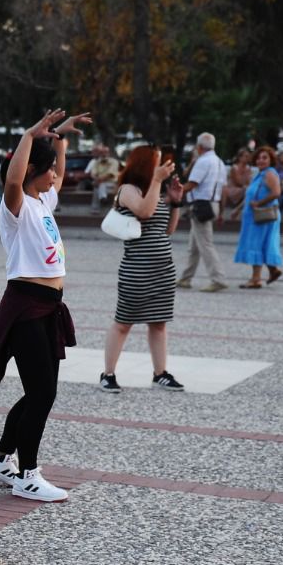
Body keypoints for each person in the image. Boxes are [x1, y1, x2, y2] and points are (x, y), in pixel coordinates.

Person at [0, 109, 83, 503]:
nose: (56, 174)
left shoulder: (43, 202)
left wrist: (60, 138)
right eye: (50, 170)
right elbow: (12, 178)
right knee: (41, 393)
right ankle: (27, 475)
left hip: (49, 305)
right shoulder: (17, 207)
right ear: (33, 172)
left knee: (41, 390)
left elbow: (57, 167)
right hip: (25, 306)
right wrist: (27, 134)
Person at [100, 145, 186, 393]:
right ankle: (108, 373)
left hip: (163, 267)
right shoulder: (128, 190)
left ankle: (160, 373)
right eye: (157, 162)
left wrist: (176, 203)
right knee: (123, 322)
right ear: (145, 163)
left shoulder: (154, 190)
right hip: (137, 268)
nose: (161, 166)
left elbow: (166, 230)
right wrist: (158, 181)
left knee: (159, 322)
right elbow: (145, 212)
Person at [176, 132, 227, 292]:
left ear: (199, 147)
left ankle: (218, 278)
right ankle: (186, 277)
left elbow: (191, 184)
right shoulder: (219, 162)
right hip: (213, 204)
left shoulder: (203, 162)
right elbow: (224, 190)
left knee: (205, 244)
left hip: (201, 205)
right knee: (195, 244)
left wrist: (174, 193)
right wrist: (221, 212)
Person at [234, 145, 283, 288]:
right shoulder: (260, 175)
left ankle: (255, 280)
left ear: (271, 160)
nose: (261, 160)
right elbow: (250, 196)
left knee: (256, 244)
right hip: (255, 216)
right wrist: (238, 209)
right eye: (259, 158)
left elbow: (276, 192)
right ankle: (273, 271)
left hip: (263, 216)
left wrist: (259, 203)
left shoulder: (269, 174)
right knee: (262, 245)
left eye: (265, 158)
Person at [85, 140, 121, 214]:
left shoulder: (114, 162)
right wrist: (96, 180)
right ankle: (102, 199)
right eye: (102, 152)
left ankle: (95, 208)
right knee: (99, 186)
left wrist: (98, 181)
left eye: (105, 152)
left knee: (99, 185)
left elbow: (110, 174)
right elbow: (93, 174)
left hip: (112, 184)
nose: (104, 154)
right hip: (101, 183)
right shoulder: (97, 162)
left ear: (109, 153)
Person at [220, 149, 253, 223]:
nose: (247, 158)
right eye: (245, 156)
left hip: (243, 189)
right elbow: (238, 182)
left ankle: (239, 210)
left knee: (250, 191)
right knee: (225, 190)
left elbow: (249, 182)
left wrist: (247, 183)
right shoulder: (234, 168)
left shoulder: (248, 168)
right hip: (233, 188)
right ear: (240, 158)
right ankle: (223, 213)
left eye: (248, 156)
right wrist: (246, 183)